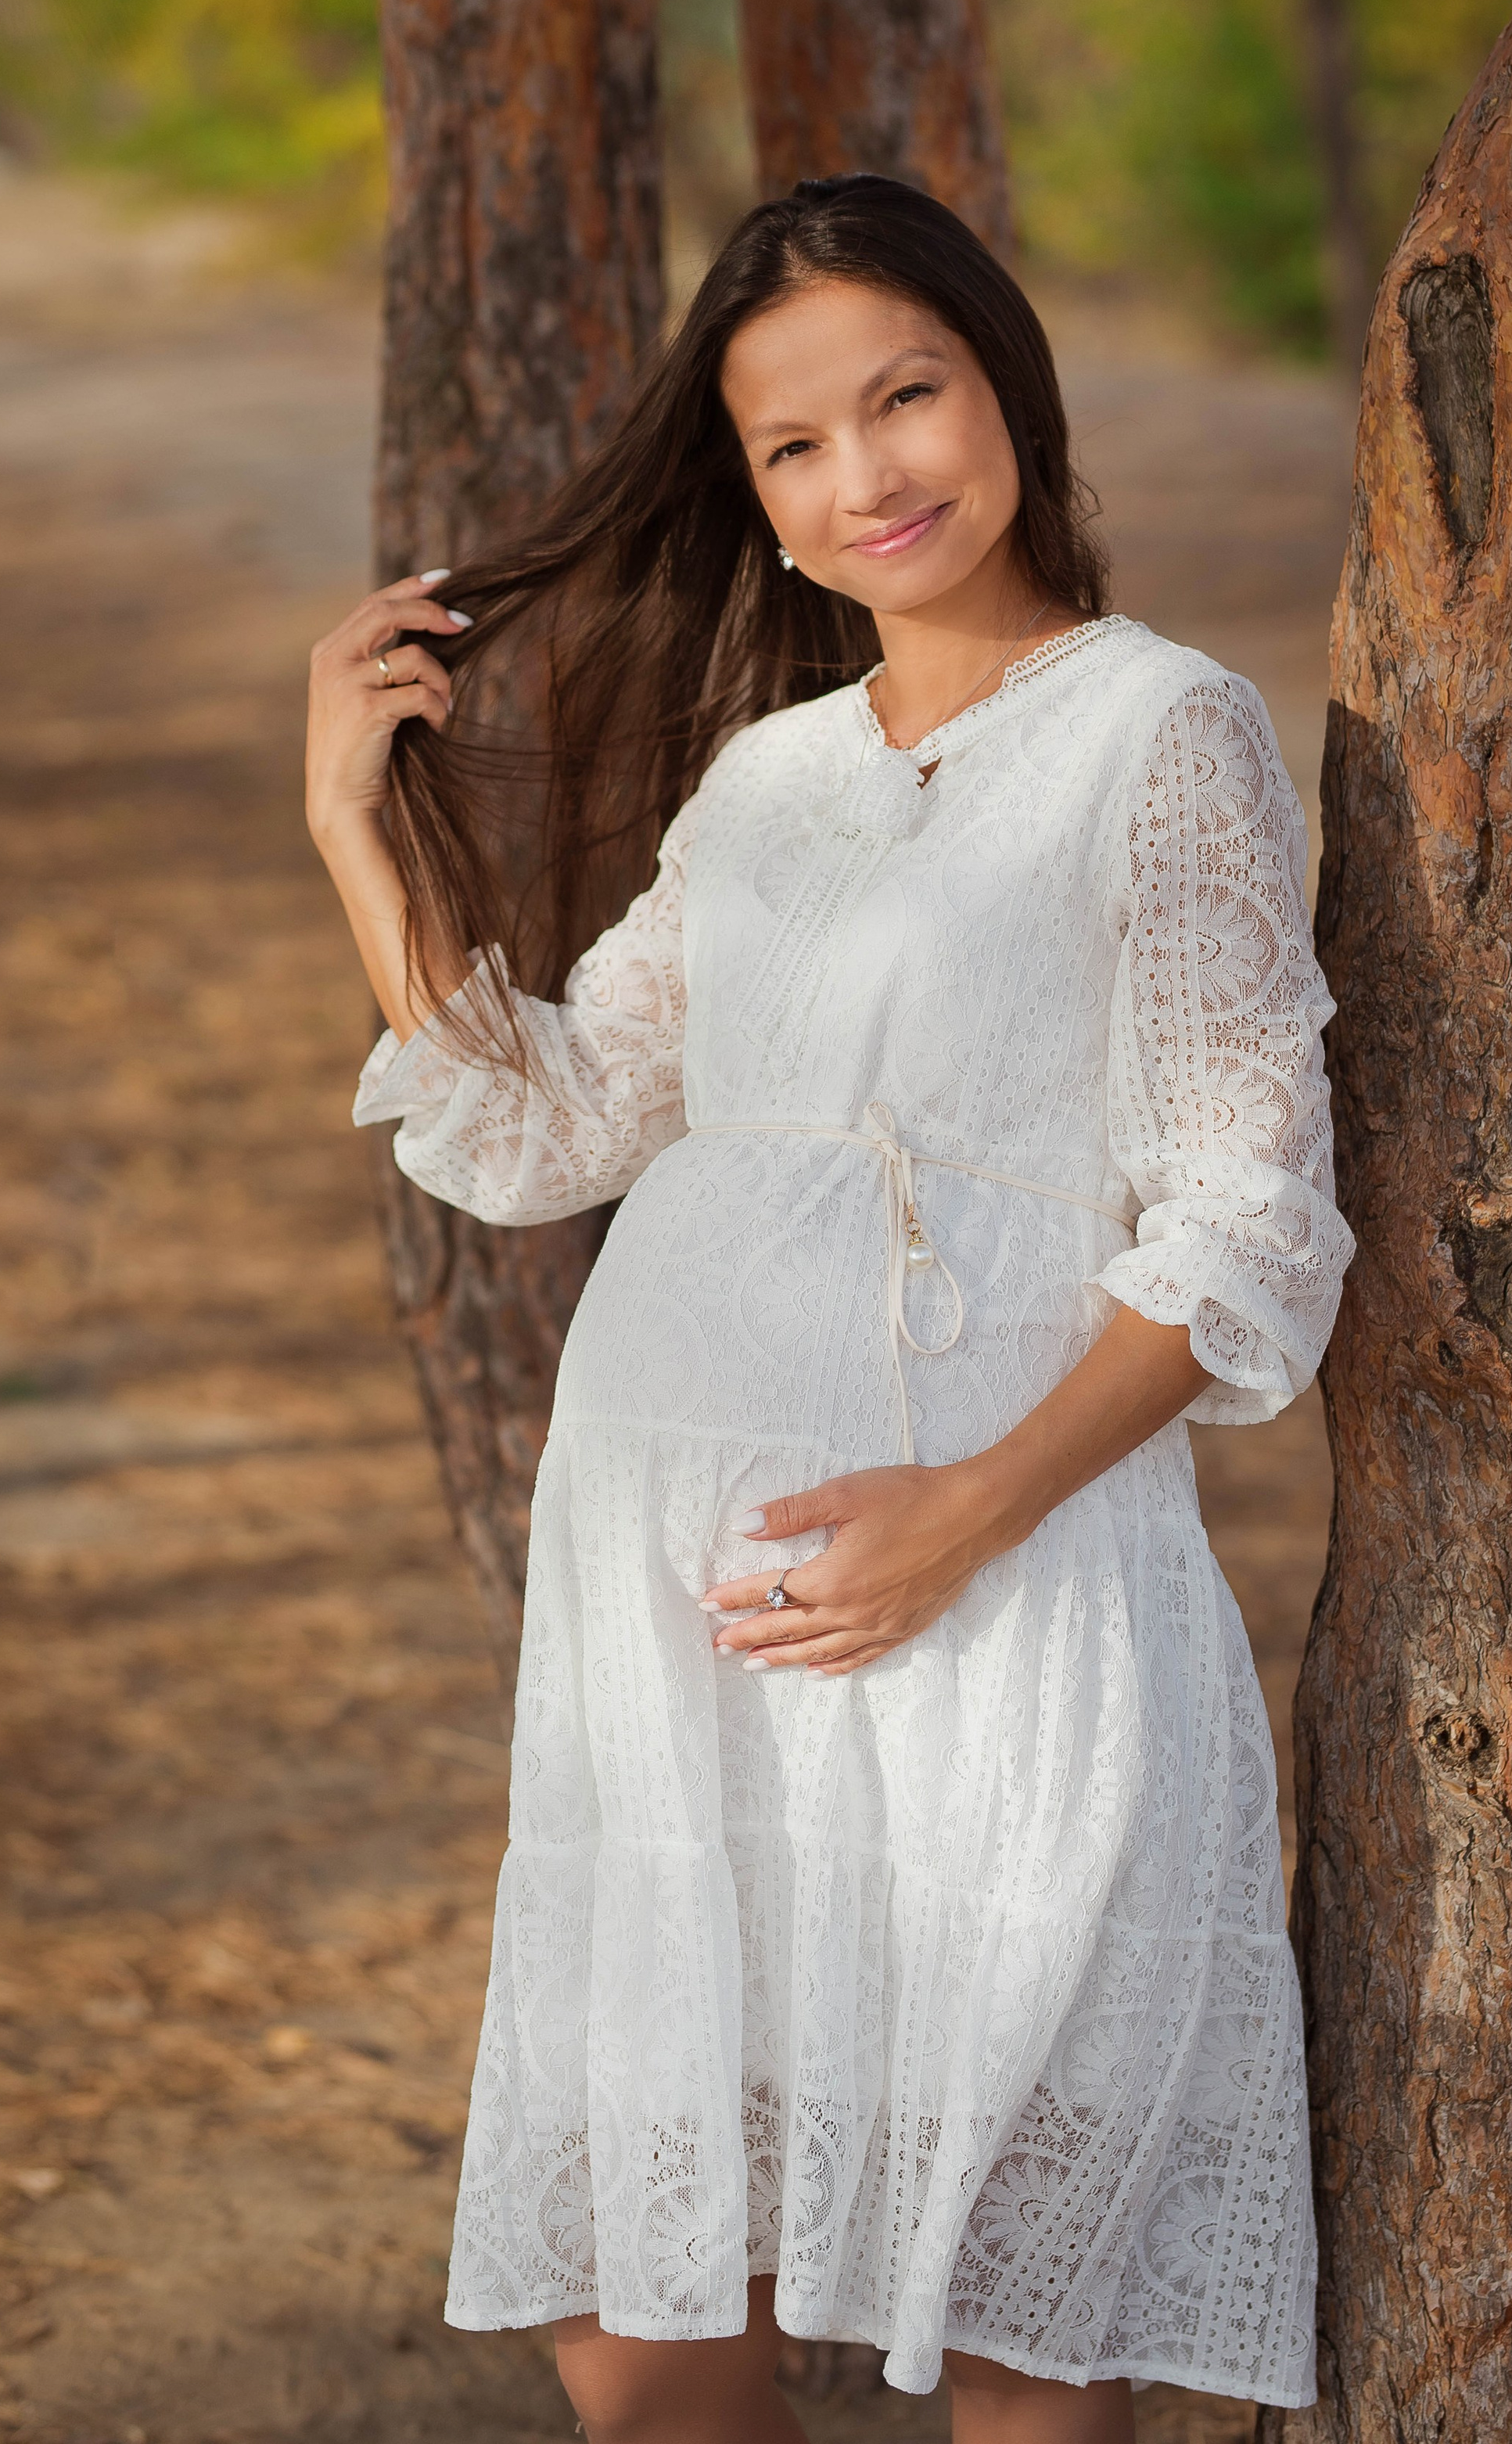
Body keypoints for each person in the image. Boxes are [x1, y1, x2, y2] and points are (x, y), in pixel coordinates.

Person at [304, 175, 1351, 2442]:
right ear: (761, 507)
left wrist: (960, 1511)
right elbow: (555, 1116)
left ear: (1009, 391)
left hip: (998, 1597)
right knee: (647, 2331)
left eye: (907, 395)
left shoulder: (1165, 734)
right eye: (797, 444)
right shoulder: (765, 783)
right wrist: (353, 831)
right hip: (681, 1643)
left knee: (1007, 2312)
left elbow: (1246, 1219)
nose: (866, 472)